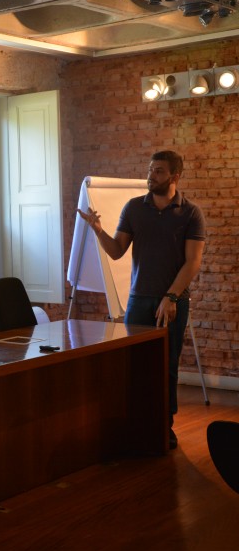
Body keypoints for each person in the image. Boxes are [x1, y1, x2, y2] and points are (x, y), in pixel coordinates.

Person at [77, 150, 206, 449]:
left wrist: (171, 297)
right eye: (150, 170)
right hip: (138, 300)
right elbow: (116, 250)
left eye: (158, 171)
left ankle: (164, 426)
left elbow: (193, 262)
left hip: (173, 303)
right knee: (133, 366)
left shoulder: (190, 213)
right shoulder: (134, 208)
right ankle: (135, 423)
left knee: (167, 365)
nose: (151, 176)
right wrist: (98, 230)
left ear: (175, 177)